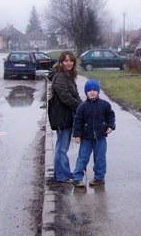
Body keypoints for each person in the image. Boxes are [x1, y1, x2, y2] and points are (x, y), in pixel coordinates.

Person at [72, 79, 115, 187]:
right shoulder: (82, 107)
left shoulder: (105, 105)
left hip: (100, 137)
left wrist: (111, 126)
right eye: (90, 90)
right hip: (86, 138)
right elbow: (78, 121)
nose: (92, 92)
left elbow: (110, 116)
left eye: (95, 90)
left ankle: (99, 177)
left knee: (100, 158)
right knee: (83, 157)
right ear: (86, 92)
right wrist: (77, 135)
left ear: (98, 91)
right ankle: (77, 178)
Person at [50, 51, 82, 183]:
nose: (69, 63)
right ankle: (62, 175)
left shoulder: (68, 76)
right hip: (62, 116)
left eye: (71, 60)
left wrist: (81, 104)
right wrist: (80, 106)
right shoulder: (61, 77)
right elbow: (66, 97)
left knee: (61, 146)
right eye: (66, 60)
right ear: (61, 62)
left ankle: (62, 173)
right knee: (62, 148)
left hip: (66, 115)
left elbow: (74, 94)